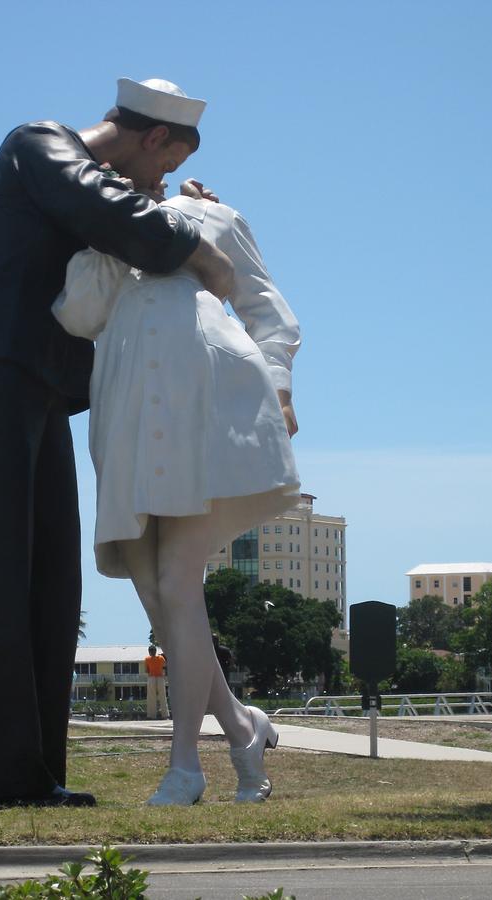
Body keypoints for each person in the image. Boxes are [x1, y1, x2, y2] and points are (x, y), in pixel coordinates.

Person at [0, 77, 233, 811]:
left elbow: (132, 222)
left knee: (48, 586)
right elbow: (127, 222)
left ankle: (33, 774)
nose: (159, 181)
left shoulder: (99, 181)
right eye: (162, 167)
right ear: (152, 137)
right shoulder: (39, 142)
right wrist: (194, 243)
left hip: (37, 385)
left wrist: (176, 211)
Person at [54, 180, 301, 805]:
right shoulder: (101, 232)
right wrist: (106, 234)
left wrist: (280, 385)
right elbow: (80, 316)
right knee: (162, 599)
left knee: (176, 584)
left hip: (206, 401)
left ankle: (185, 764)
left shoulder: (211, 214)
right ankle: (244, 727)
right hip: (128, 411)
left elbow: (266, 306)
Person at [144, 644, 170, 719]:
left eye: (152, 650)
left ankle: (153, 715)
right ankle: (163, 715)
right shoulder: (160, 658)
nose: (151, 652)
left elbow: (147, 670)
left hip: (155, 677)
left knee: (155, 696)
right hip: (157, 678)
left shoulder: (148, 659)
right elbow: (165, 666)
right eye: (151, 650)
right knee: (159, 696)